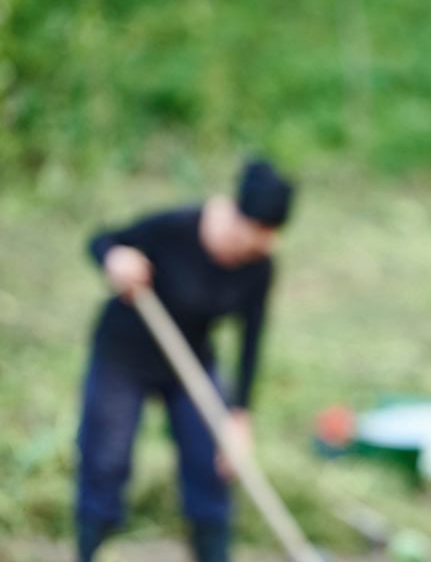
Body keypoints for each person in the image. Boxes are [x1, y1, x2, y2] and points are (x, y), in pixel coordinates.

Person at [75, 159, 294, 562]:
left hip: (189, 362)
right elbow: (102, 241)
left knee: (212, 463)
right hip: (124, 354)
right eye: (261, 231)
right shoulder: (176, 228)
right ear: (239, 216)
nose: (267, 243)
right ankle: (91, 548)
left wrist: (239, 415)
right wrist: (115, 259)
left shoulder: (259, 266)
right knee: (107, 460)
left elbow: (251, 339)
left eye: (272, 234)